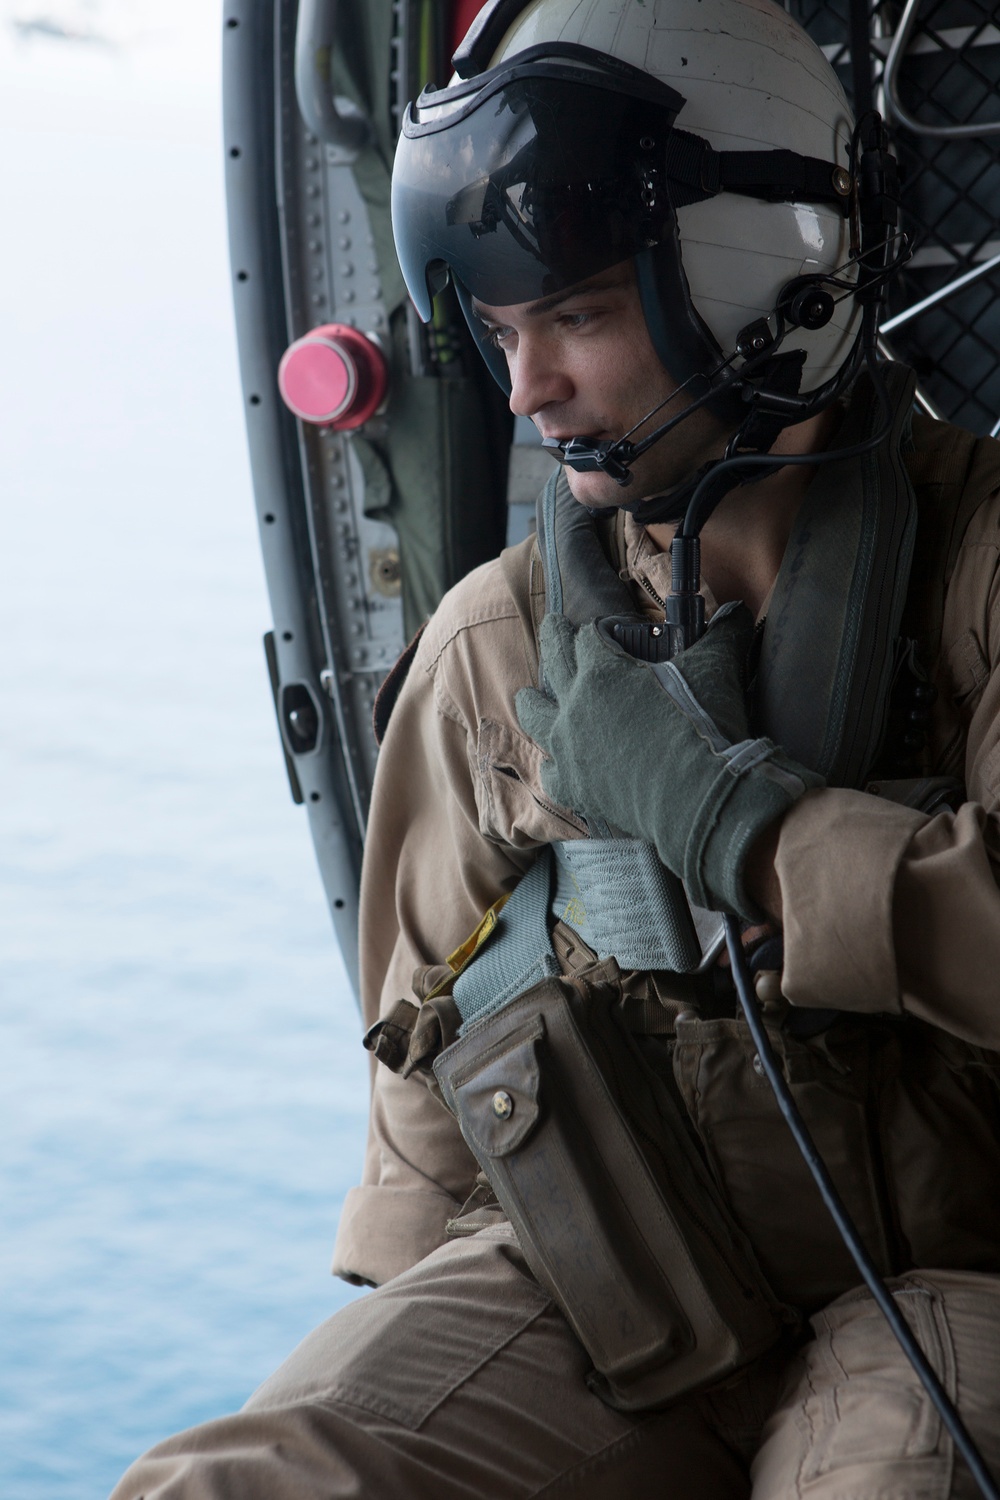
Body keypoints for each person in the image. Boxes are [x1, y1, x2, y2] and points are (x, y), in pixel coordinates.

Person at [112, 0, 1000, 1495]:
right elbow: (422, 1053)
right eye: (506, 332)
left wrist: (751, 837)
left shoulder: (977, 571)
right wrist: (404, 1353)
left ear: (762, 273)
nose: (528, 392)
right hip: (616, 1268)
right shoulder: (499, 646)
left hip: (957, 1282)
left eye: (578, 316)